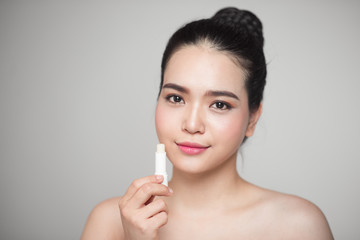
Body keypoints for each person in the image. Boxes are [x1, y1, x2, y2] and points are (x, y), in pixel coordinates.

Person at [81, 7, 333, 239]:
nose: (192, 124)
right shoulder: (110, 221)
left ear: (252, 118)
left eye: (220, 104)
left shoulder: (297, 226)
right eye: (176, 98)